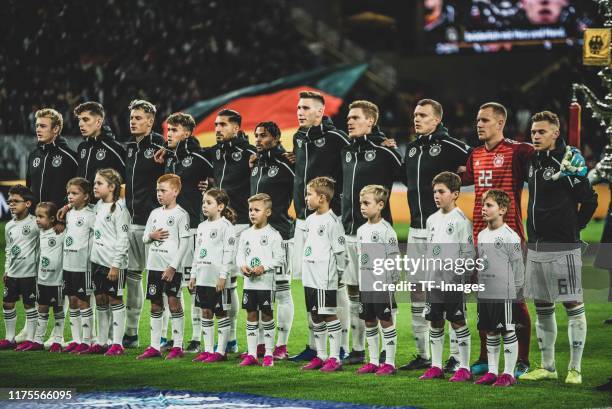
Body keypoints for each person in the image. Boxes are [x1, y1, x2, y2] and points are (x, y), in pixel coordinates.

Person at [520, 111, 597, 385]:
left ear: (555, 132)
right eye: (533, 132)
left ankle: (575, 369)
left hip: (563, 246)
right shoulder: (532, 160)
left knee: (573, 303)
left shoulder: (568, 162)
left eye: (541, 132)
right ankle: (548, 366)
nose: (536, 137)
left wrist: (574, 230)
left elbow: (589, 200)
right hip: (537, 245)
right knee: (543, 305)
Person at [399, 99, 472, 372]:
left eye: (423, 115)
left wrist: (465, 174)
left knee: (448, 293)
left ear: (437, 119)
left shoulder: (451, 145)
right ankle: (423, 354)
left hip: (443, 232)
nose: (417, 119)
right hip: (418, 229)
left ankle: (455, 357)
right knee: (418, 292)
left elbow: (472, 162)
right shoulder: (414, 147)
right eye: (415, 114)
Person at [462, 102, 533, 378]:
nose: (478, 124)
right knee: (484, 298)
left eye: (484, 120)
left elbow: (543, 154)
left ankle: (523, 360)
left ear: (500, 123)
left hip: (510, 235)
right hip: (480, 237)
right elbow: (464, 176)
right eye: (477, 120)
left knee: (515, 299)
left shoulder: (518, 150)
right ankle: (485, 358)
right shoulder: (476, 153)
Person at [289, 90, 350, 362]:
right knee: (309, 284)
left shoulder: (336, 138)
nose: (300, 112)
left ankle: (343, 346)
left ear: (320, 112)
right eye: (298, 107)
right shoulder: (299, 137)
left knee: (334, 286)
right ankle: (315, 346)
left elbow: (354, 161)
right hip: (303, 221)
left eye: (305, 108)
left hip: (327, 220)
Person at [341, 100, 402, 366]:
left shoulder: (384, 151)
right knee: (354, 292)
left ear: (371, 121)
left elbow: (410, 178)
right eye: (348, 117)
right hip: (350, 232)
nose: (349, 121)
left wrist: (396, 149)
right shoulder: (346, 150)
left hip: (375, 235)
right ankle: (358, 350)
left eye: (355, 117)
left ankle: (388, 359)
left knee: (381, 294)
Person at [158, 112, 213, 354]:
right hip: (171, 232)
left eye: (174, 130)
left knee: (193, 285)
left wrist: (211, 182)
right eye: (168, 130)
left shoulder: (199, 157)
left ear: (188, 133)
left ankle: (197, 337)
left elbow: (217, 170)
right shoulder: (170, 158)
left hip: (191, 230)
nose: (169, 134)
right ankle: (176, 336)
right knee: (173, 285)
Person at [206, 109, 256, 353]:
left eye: (223, 125)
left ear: (236, 128)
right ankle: (232, 340)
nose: (217, 128)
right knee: (227, 282)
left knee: (250, 283)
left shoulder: (249, 154)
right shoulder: (214, 152)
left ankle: (259, 346)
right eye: (216, 124)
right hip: (220, 225)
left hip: (243, 224)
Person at [419, 172, 474, 382]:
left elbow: (468, 253)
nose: (436, 195)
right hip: (434, 281)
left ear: (455, 194)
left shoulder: (461, 221)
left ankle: (464, 366)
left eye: (441, 191)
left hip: (453, 282)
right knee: (435, 321)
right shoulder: (432, 219)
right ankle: (435, 366)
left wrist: (463, 278)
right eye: (434, 191)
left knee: (458, 321)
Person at [122, 99, 165, 349]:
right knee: (133, 278)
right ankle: (130, 332)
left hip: (155, 225)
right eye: (132, 117)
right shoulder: (129, 148)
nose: (133, 121)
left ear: (150, 121)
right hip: (132, 223)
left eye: (138, 118)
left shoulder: (161, 146)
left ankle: (164, 336)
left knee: (160, 281)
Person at [250, 121, 295, 360]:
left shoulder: (285, 164)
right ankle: (260, 344)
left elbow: (301, 188)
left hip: (280, 236)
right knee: (259, 292)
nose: (258, 139)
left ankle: (281, 345)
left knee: (282, 292)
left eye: (263, 135)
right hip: (257, 238)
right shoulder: (256, 165)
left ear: (276, 138)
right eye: (256, 135)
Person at [474, 189, 524, 387]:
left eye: (489, 205)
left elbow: (518, 267)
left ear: (502, 210)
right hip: (485, 292)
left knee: (507, 331)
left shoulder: (510, 236)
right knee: (490, 332)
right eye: (483, 205)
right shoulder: (482, 234)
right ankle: (493, 371)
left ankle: (509, 373)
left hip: (504, 293)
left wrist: (516, 291)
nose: (483, 209)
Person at [138, 174, 191, 360]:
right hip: (153, 266)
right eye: (158, 190)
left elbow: (184, 244)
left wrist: (173, 267)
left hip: (170, 268)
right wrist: (151, 236)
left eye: (163, 190)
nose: (159, 194)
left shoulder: (181, 215)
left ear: (175, 192)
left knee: (174, 304)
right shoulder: (154, 213)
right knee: (155, 305)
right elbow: (145, 238)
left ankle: (177, 345)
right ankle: (154, 346)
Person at [300, 177, 346, 372]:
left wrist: (340, 274)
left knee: (328, 315)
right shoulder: (310, 220)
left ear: (322, 198)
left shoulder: (333, 222)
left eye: (309, 194)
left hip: (324, 276)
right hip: (310, 275)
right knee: (315, 316)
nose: (306, 198)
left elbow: (340, 252)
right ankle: (321, 355)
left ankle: (335, 358)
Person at [355, 185, 399, 376]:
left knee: (386, 321)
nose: (362, 207)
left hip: (382, 284)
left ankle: (389, 362)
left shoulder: (386, 230)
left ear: (380, 205)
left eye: (367, 203)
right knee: (369, 321)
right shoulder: (361, 230)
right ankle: (373, 361)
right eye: (361, 204)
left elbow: (394, 258)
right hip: (366, 284)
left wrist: (391, 282)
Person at [237, 193, 285, 367]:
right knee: (250, 315)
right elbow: (239, 256)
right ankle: (251, 354)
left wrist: (263, 267)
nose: (252, 213)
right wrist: (242, 266)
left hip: (266, 283)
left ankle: (269, 354)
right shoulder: (245, 234)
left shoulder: (273, 235)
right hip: (249, 283)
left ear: (268, 212)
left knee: (266, 315)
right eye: (250, 210)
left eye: (257, 210)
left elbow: (280, 258)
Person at [190, 189, 237, 363]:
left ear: (220, 206)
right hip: (202, 276)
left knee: (221, 312)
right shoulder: (202, 227)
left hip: (217, 278)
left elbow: (228, 253)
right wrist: (193, 275)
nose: (204, 206)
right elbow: (197, 253)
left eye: (209, 203)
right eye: (203, 202)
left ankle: (221, 351)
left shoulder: (226, 227)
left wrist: (223, 276)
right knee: (206, 312)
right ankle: (208, 350)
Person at [88, 168, 130, 356]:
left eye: (99, 183)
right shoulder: (97, 206)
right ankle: (102, 341)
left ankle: (118, 344)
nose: (95, 186)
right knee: (101, 300)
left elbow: (123, 239)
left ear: (112, 187)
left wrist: (115, 265)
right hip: (97, 262)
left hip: (113, 264)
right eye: (95, 183)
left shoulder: (120, 209)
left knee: (115, 300)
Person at [22, 202, 66, 352]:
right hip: (42, 280)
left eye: (41, 216)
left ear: (52, 218)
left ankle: (57, 341)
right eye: (37, 216)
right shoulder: (40, 232)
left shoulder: (60, 232)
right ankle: (38, 340)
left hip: (57, 280)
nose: (37, 219)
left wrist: (62, 223)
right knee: (42, 308)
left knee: (58, 310)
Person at [0, 185, 39, 350]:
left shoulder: (36, 223)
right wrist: (6, 269)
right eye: (9, 202)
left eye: (16, 201)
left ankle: (30, 338)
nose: (11, 205)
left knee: (29, 305)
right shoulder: (9, 226)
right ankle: (10, 338)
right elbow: (8, 249)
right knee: (7, 303)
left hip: (30, 273)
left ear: (28, 203)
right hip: (13, 273)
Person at [61, 177, 96, 354]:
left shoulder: (92, 215)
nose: (70, 196)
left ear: (86, 196)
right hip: (68, 265)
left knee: (84, 302)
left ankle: (88, 340)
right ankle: (75, 339)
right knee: (72, 301)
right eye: (68, 193)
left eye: (75, 193)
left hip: (84, 267)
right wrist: (67, 207)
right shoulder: (68, 213)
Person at [27, 108, 78, 208]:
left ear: (55, 129)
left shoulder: (70, 157)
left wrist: (65, 210)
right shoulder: (33, 155)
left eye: (43, 126)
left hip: (59, 219)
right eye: (37, 125)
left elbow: (79, 191)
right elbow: (28, 187)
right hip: (35, 218)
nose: (37, 129)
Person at [73, 102, 126, 182]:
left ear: (98, 122)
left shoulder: (115, 149)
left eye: (85, 119)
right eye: (79, 120)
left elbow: (127, 182)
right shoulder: (82, 147)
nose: (80, 124)